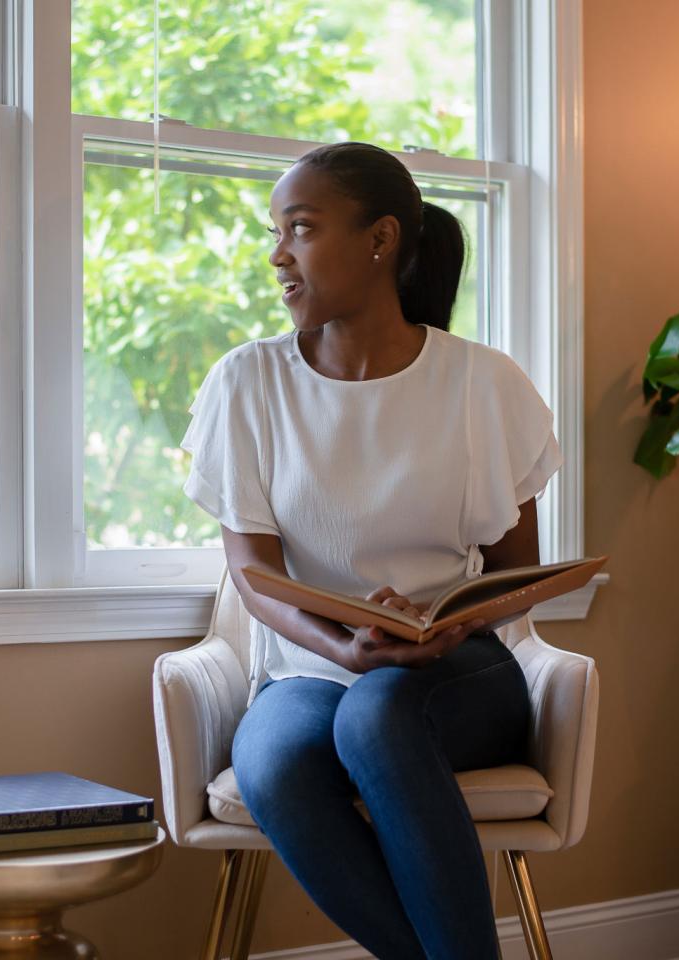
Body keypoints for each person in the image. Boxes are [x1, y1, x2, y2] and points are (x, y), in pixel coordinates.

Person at [180, 141, 562, 960]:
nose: (279, 254)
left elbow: (516, 577)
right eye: (276, 232)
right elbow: (255, 576)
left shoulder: (483, 384)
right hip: (308, 669)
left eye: (302, 229)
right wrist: (345, 648)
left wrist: (444, 631)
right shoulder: (245, 384)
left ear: (381, 239)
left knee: (380, 715)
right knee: (276, 764)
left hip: (461, 676)